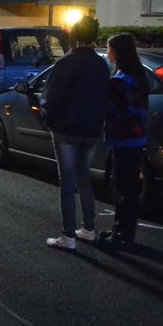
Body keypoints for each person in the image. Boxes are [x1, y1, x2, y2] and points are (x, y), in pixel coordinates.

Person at [40, 16, 110, 252]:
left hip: (66, 130)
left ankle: (68, 236)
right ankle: (88, 229)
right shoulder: (101, 65)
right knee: (84, 179)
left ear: (75, 36)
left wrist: (49, 119)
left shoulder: (67, 63)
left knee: (67, 183)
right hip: (92, 130)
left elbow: (51, 97)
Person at [98, 33, 148, 247]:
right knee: (129, 188)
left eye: (109, 49)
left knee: (123, 188)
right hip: (137, 138)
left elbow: (113, 111)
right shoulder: (138, 76)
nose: (107, 53)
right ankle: (124, 231)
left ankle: (121, 235)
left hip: (123, 139)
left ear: (117, 52)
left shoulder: (119, 81)